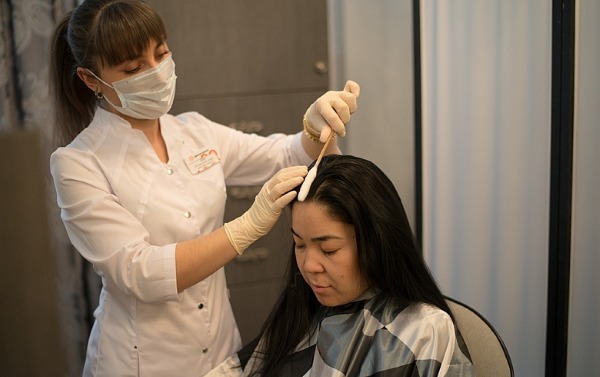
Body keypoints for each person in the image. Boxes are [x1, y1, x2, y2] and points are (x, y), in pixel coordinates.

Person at [48, 0, 359, 375]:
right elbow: (139, 272)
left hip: (219, 349)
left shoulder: (194, 131)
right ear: (90, 79)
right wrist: (247, 227)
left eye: (161, 53)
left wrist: (312, 125)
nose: (156, 71)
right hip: (141, 361)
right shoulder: (78, 163)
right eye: (133, 68)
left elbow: (283, 154)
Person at [206, 154, 475, 376]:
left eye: (329, 249)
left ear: (375, 242)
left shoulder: (424, 331)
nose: (309, 266)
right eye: (299, 244)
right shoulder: (299, 315)